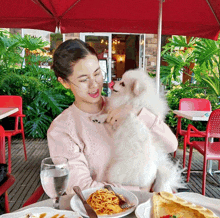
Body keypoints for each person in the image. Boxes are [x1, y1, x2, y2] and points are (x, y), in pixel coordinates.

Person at [47, 39, 178, 194]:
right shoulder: (62, 129)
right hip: (102, 211)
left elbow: (171, 146)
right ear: (64, 82)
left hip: (147, 205)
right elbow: (81, 189)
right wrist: (139, 189)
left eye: (97, 73)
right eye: (83, 79)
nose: (94, 84)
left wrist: (136, 113)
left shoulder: (127, 106)